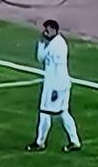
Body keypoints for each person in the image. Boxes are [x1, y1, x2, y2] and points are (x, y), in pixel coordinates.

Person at [26, 19, 82, 153]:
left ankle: (40, 142)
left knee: (45, 112)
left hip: (55, 85)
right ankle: (75, 141)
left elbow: (44, 59)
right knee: (64, 112)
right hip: (62, 83)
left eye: (47, 30)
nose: (45, 32)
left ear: (54, 30)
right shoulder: (58, 42)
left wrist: (41, 44)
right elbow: (41, 58)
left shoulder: (56, 45)